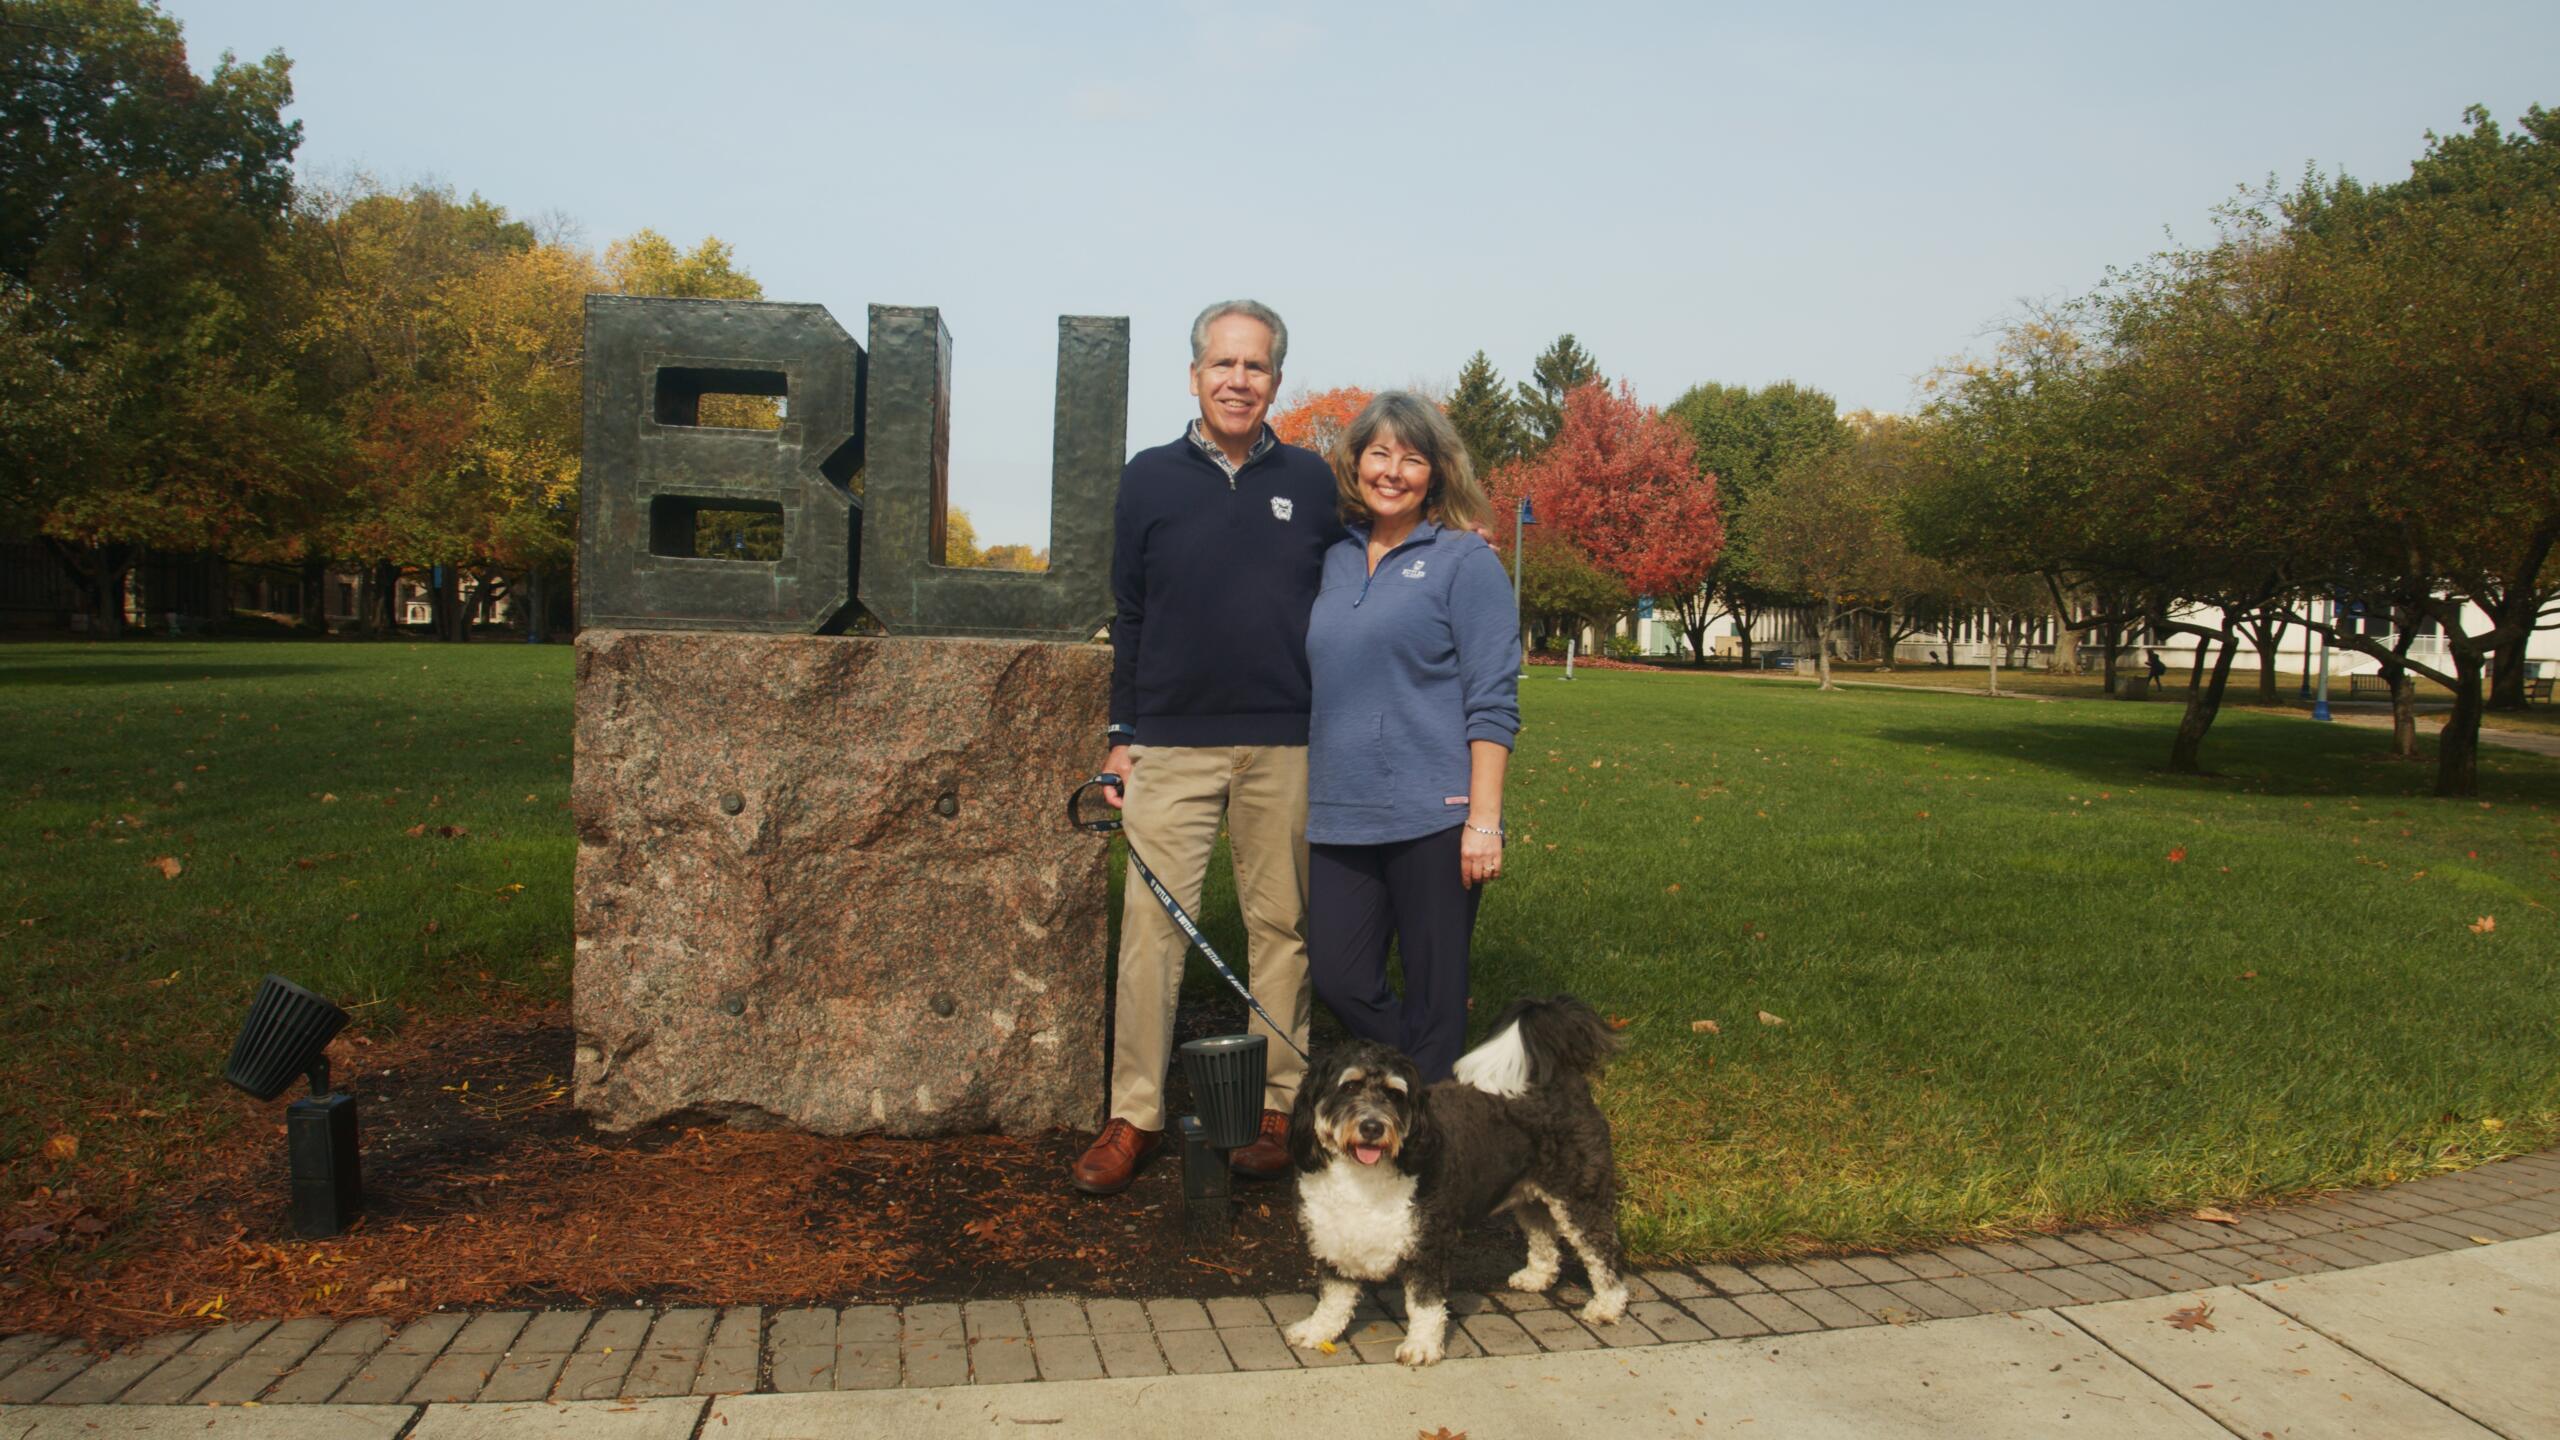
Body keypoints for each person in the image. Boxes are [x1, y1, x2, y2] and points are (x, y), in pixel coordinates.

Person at [1072, 300, 1342, 1196]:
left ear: (1275, 381)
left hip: (1286, 744)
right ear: (1194, 375)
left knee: (1282, 931)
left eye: (1256, 367)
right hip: (1171, 747)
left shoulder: (1313, 482)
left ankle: (1280, 1105)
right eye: (1223, 364)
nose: (1238, 380)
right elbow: (1132, 616)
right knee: (1153, 933)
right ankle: (1135, 1114)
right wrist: (1121, 739)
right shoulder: (1147, 478)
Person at [1302, 392, 1520, 1084]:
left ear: (1437, 473)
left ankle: (1438, 1145)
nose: (1393, 471)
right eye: (1379, 453)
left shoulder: (1465, 561)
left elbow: (1493, 700)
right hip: (1341, 814)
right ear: (1356, 462)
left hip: (1437, 815)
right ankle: (1439, 1083)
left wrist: (1484, 823)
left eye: (1413, 458)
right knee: (1339, 977)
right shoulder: (1332, 558)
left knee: (1434, 996)